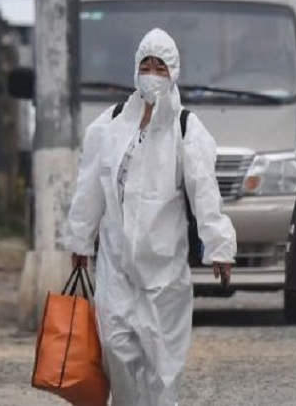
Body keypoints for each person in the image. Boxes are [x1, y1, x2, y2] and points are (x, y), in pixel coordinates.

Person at [65, 28, 237, 406]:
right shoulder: (108, 126)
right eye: (147, 64)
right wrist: (80, 240)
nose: (153, 73)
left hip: (164, 271)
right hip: (116, 264)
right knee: (117, 347)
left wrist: (219, 245)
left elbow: (204, 192)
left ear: (174, 72)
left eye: (161, 66)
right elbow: (90, 187)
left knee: (163, 365)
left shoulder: (186, 129)